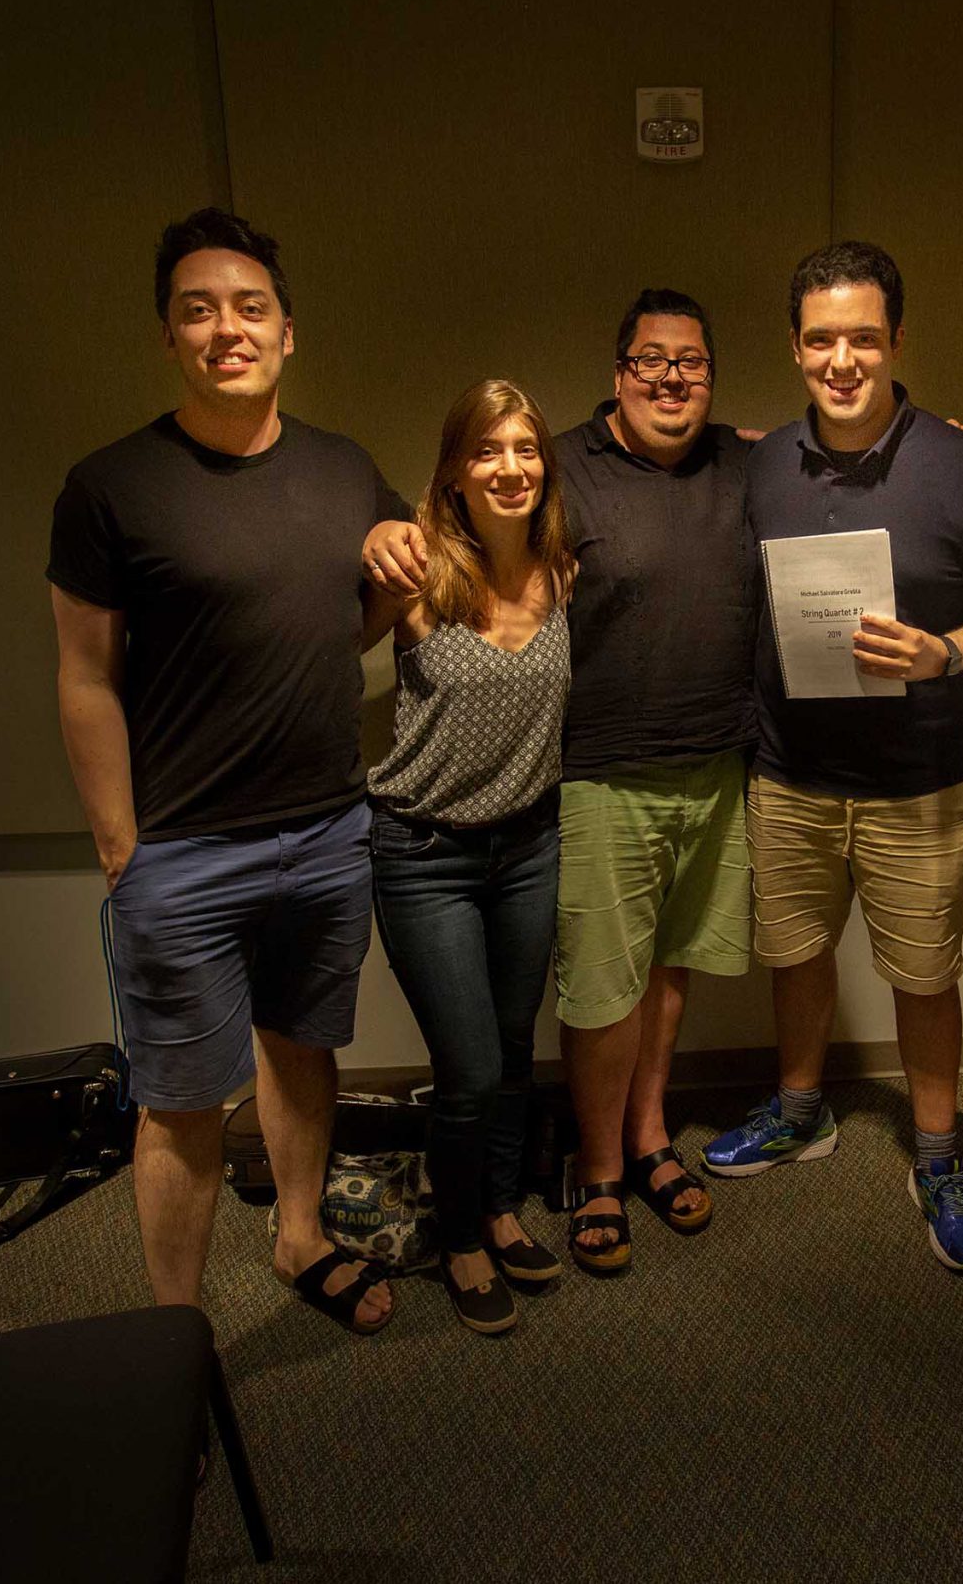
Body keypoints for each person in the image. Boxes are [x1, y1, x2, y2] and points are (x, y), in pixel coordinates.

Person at [47, 207, 404, 1333]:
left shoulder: (345, 468)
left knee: (303, 1053)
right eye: (198, 311)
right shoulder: (111, 486)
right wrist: (120, 844)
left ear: (287, 331)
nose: (226, 329)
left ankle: (301, 1237)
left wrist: (391, 569)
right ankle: (174, 1331)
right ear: (169, 335)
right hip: (182, 851)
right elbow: (84, 676)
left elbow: (358, 611)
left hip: (329, 831)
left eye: (250, 308)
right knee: (181, 1101)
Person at [365, 291, 754, 1274]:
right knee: (559, 1014)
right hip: (534, 804)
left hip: (669, 783)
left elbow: (809, 448)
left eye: (691, 362)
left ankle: (605, 1160)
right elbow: (335, 618)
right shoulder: (524, 499)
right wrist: (372, 536)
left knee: (641, 986)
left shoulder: (724, 470)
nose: (671, 377)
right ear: (617, 374)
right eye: (650, 360)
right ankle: (580, 1176)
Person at [704, 240, 963, 1275]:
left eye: (862, 338)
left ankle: (936, 1157)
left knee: (925, 976)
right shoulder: (762, 463)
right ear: (794, 347)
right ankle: (801, 1110)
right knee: (795, 953)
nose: (841, 361)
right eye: (820, 340)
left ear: (895, 340)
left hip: (918, 781)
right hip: (788, 771)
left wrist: (944, 653)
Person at [362, 379, 575, 1333]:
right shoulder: (415, 574)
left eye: (525, 448)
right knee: (472, 1067)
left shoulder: (563, 571)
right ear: (454, 471)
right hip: (425, 854)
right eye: (487, 450)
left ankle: (497, 1208)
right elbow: (324, 641)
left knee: (517, 1051)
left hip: (528, 846)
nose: (509, 467)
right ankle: (458, 1238)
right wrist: (373, 538)